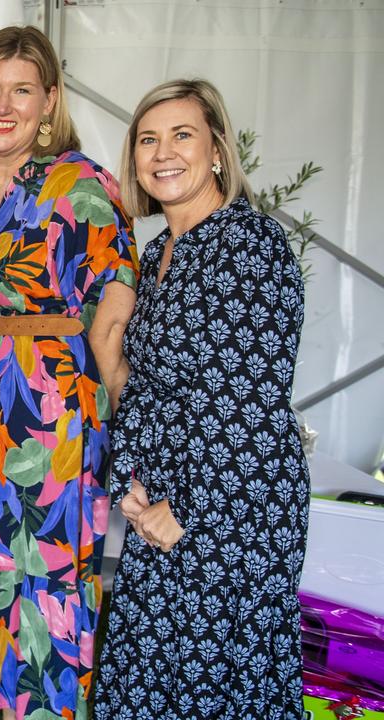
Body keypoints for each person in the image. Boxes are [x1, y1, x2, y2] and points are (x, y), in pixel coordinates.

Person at [92, 78, 309, 720]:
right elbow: (148, 384)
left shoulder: (249, 246)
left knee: (218, 680)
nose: (163, 153)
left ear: (217, 149)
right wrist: (132, 481)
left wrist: (189, 509)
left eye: (182, 135)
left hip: (227, 513)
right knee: (148, 677)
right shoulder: (159, 250)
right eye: (148, 140)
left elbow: (251, 403)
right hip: (159, 501)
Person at [0, 26, 139, 720]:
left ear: (50, 100)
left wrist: (121, 419)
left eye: (22, 89)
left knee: (48, 572)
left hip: (50, 403)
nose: (5, 104)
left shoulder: (79, 182)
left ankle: (50, 709)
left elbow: (116, 302)